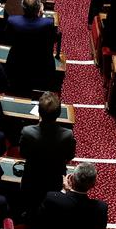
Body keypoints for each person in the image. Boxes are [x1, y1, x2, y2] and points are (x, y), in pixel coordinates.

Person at [19, 91, 76, 219]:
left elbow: (23, 153)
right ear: (58, 113)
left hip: (32, 177)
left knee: (31, 207)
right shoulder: (67, 135)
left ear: (39, 112)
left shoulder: (27, 132)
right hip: (54, 178)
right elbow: (70, 156)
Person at [3, 0, 57, 95]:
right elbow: (52, 41)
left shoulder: (12, 21)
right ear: (39, 9)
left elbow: (7, 39)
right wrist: (40, 17)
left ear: (22, 7)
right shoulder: (48, 23)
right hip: (40, 64)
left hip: (17, 63)